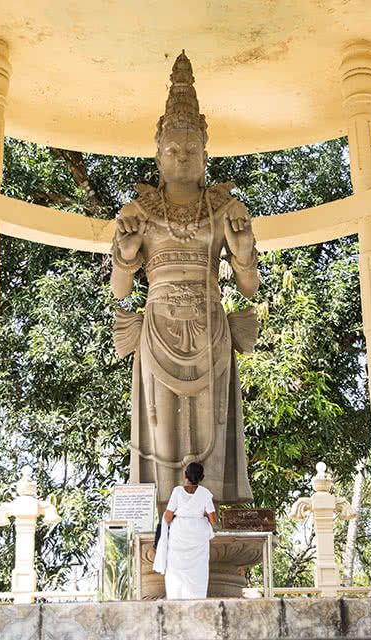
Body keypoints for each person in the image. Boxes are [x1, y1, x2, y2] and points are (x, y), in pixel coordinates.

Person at [110, 51, 259, 509]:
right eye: (172, 150)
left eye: (190, 150)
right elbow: (120, 290)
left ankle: (215, 505)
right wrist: (128, 255)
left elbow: (249, 287)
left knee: (209, 422)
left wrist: (241, 252)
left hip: (210, 325)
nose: (181, 158)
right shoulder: (138, 212)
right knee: (162, 426)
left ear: (205, 154)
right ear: (157, 153)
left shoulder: (225, 210)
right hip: (157, 329)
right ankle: (159, 509)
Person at [152, 462, 217, 599]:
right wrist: (201, 515)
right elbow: (213, 520)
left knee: (176, 572)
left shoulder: (177, 491)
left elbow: (168, 517)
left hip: (179, 536)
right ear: (202, 477)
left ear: (185, 475)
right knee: (198, 573)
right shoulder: (205, 494)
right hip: (198, 538)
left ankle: (176, 602)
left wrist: (179, 514)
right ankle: (197, 601)